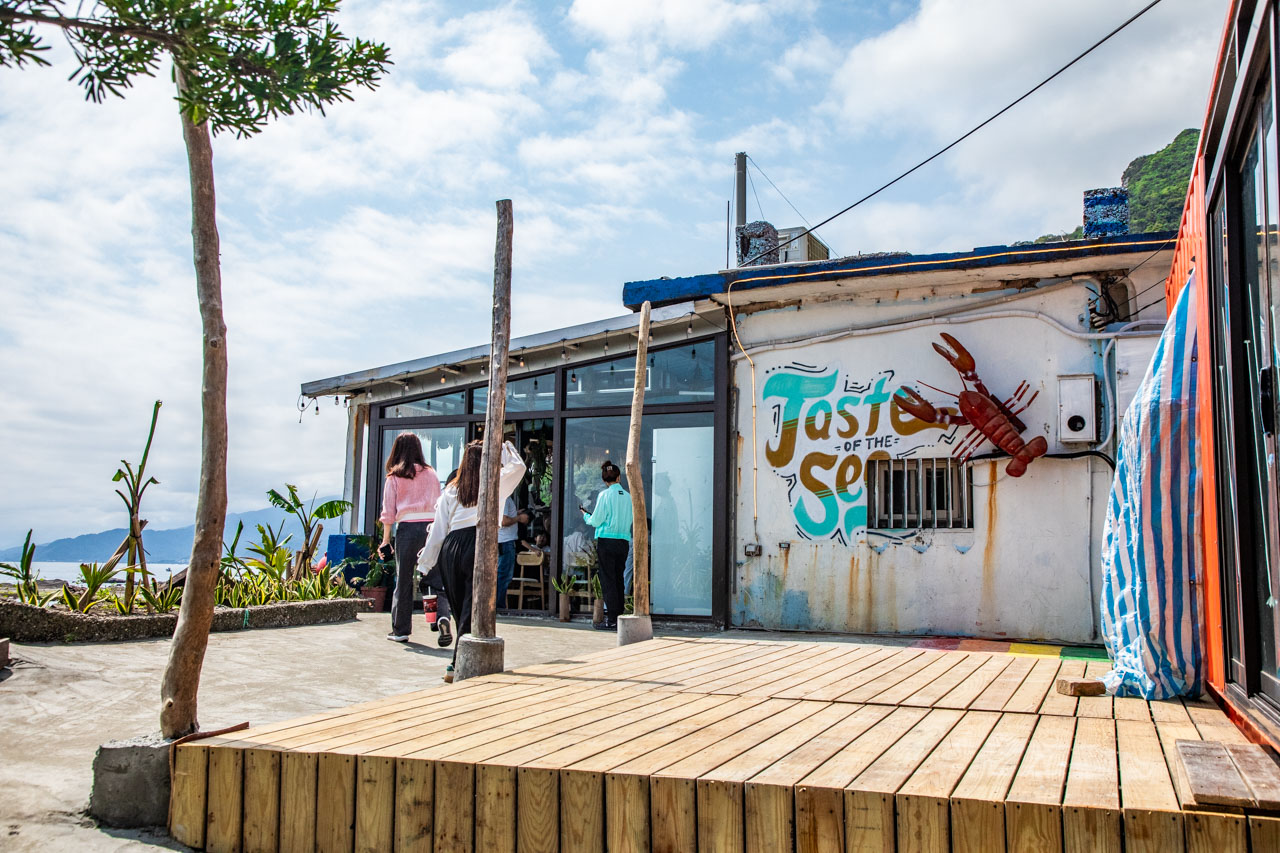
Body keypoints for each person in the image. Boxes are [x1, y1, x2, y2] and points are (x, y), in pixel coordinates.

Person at [418, 439, 526, 681]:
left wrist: (425, 564)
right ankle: (457, 664)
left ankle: (457, 661)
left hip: (451, 548)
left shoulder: (452, 490)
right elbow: (518, 467)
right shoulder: (494, 484)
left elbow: (438, 530)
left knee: (460, 611)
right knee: (470, 608)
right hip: (479, 543)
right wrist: (504, 446)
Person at [378, 433, 441, 644]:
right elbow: (439, 505)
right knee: (432, 579)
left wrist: (386, 541)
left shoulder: (394, 477)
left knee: (403, 580)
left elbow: (388, 513)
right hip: (431, 529)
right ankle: (437, 619)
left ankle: (401, 630)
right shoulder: (431, 474)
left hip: (406, 529)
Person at [580, 460, 632, 630]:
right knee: (619, 579)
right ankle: (619, 618)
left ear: (604, 480)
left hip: (607, 541)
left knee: (608, 580)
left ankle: (612, 620)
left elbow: (596, 521)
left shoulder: (604, 495)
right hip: (623, 541)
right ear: (619, 478)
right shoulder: (629, 497)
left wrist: (585, 515)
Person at [496, 500, 530, 607]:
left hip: (504, 541)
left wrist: (515, 514)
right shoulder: (505, 499)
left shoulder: (504, 498)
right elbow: (503, 521)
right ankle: (498, 606)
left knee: (502, 575)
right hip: (506, 541)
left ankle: (498, 605)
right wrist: (519, 518)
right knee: (503, 576)